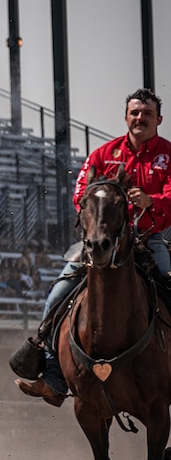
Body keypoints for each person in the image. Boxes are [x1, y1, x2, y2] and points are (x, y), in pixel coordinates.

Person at [15, 88, 171, 406]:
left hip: (150, 241)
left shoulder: (168, 156)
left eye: (147, 113)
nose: (140, 118)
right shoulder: (102, 155)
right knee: (58, 294)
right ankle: (55, 376)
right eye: (135, 112)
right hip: (101, 241)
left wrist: (151, 200)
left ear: (159, 119)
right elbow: (81, 195)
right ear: (127, 116)